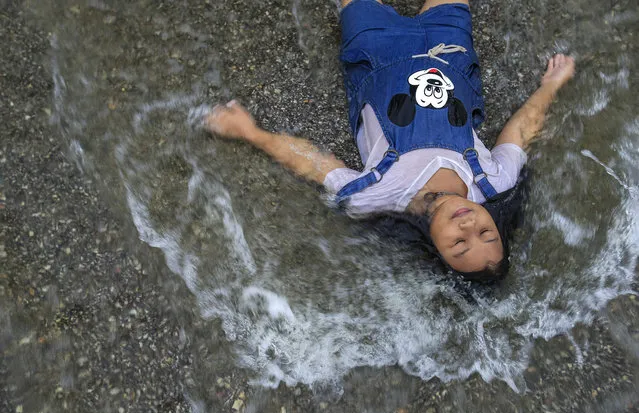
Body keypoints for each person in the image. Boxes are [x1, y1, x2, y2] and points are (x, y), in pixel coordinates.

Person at [204, 0, 575, 280]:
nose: (468, 226)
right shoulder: (495, 182)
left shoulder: (375, 198)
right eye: (486, 233)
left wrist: (250, 133)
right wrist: (552, 87)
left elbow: (312, 162)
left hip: (376, 54)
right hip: (449, 54)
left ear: (434, 248)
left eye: (459, 243)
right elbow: (522, 131)